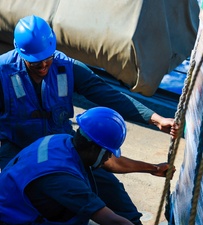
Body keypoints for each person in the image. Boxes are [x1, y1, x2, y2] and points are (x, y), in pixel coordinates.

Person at [0, 15, 178, 225]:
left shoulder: (67, 67)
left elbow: (107, 94)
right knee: (48, 201)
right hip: (20, 152)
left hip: (62, 147)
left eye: (48, 59)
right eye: (36, 62)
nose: (43, 66)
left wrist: (155, 119)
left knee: (109, 188)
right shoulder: (3, 72)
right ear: (20, 53)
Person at [0, 107, 139, 224]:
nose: (109, 157)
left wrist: (153, 168)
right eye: (108, 152)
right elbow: (112, 221)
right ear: (93, 148)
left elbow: (111, 163)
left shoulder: (60, 141)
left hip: (13, 203)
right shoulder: (62, 179)